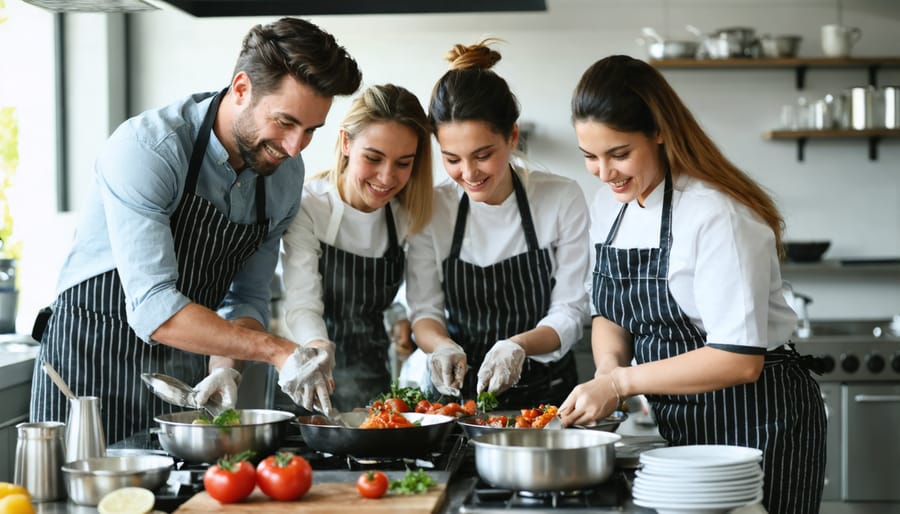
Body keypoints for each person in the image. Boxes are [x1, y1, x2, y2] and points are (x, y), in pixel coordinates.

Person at [29, 17, 362, 444]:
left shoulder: (284, 176)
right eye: (285, 122)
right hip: (87, 373)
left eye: (310, 130)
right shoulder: (149, 149)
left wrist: (224, 368)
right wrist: (278, 351)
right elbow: (154, 308)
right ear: (241, 89)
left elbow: (245, 299)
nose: (295, 146)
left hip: (181, 382)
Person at [559, 55, 825, 514]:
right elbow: (609, 313)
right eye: (590, 157)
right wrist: (606, 373)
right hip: (680, 428)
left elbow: (738, 360)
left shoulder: (717, 214)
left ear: (659, 130)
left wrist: (621, 383)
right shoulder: (611, 207)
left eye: (619, 154)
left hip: (760, 423)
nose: (604, 173)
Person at [407, 39, 589, 408]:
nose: (469, 173)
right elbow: (424, 312)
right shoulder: (433, 206)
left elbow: (571, 310)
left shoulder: (560, 198)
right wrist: (441, 347)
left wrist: (517, 345)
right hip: (458, 397)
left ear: (513, 136)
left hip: (546, 397)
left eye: (483, 155)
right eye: (452, 159)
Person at [280, 84, 433, 412]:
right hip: (304, 373)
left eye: (403, 163)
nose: (387, 177)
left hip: (371, 379)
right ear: (346, 142)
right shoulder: (309, 206)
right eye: (373, 158)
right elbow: (302, 303)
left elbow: (421, 296)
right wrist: (318, 348)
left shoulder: (405, 215)